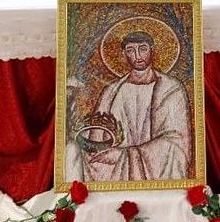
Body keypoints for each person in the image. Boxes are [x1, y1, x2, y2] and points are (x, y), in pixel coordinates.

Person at [66, 29, 192, 183]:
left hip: (151, 166)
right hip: (112, 165)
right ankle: (73, 200)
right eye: (131, 51)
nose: (138, 56)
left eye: (142, 49)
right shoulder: (111, 91)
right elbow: (96, 136)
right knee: (71, 149)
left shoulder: (171, 88)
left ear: (152, 51)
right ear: (125, 55)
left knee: (172, 150)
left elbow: (176, 143)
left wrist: (125, 155)